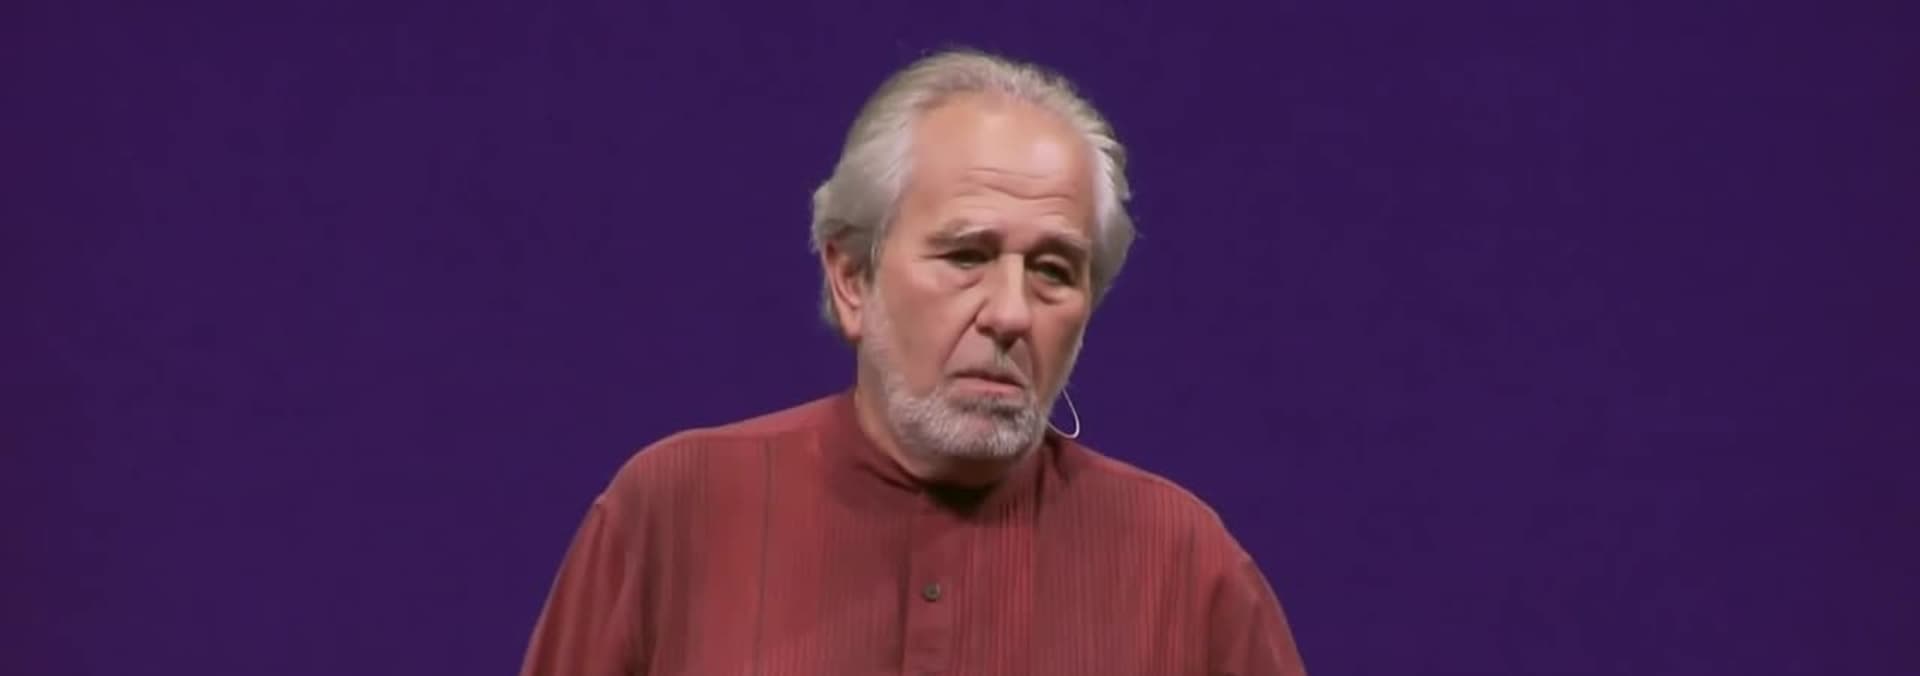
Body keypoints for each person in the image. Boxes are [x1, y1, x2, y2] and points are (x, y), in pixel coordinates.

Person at [518, 48, 1308, 676]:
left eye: (1053, 270)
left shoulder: (1184, 567)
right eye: (967, 255)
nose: (1010, 312)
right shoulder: (673, 512)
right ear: (851, 277)